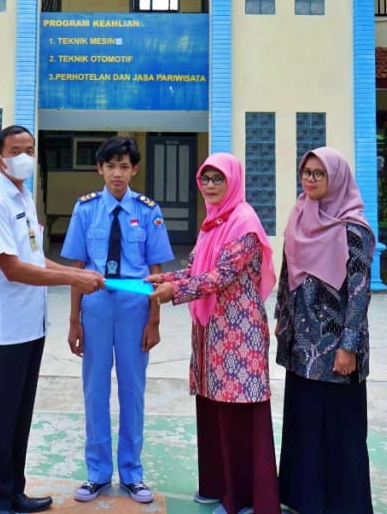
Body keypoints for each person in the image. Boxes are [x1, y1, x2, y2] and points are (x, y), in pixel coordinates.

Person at [0, 125, 107, 514]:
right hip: (5, 328)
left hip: (31, 325)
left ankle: (13, 490)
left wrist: (72, 271)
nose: (24, 157)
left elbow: (32, 259)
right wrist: (72, 277)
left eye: (30, 149)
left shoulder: (24, 196)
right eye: (16, 150)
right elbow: (12, 268)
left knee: (18, 414)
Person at [148, 153, 279, 514]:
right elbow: (196, 268)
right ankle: (219, 486)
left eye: (217, 179)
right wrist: (167, 278)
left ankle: (246, 499)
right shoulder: (214, 221)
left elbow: (221, 276)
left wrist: (175, 292)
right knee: (213, 409)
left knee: (239, 413)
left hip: (240, 334)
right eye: (205, 179)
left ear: (233, 180)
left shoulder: (243, 223)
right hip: (211, 333)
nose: (210, 185)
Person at [61, 136, 174, 505]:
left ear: (134, 170)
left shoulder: (149, 209)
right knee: (94, 390)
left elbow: (156, 270)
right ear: (100, 169)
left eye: (124, 166)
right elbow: (77, 268)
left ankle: (131, 473)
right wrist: (74, 319)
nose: (117, 173)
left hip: (134, 308)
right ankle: (96, 473)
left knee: (132, 390)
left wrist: (154, 320)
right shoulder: (85, 209)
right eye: (111, 166)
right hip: (94, 307)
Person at [275, 147, 376, 514]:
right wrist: (281, 319)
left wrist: (348, 346)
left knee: (340, 429)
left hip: (336, 347)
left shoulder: (355, 229)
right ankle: (303, 498)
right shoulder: (299, 216)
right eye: (306, 172)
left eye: (319, 173)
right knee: (303, 422)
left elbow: (361, 292)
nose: (311, 179)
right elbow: (288, 275)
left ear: (336, 178)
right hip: (302, 343)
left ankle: (344, 504)